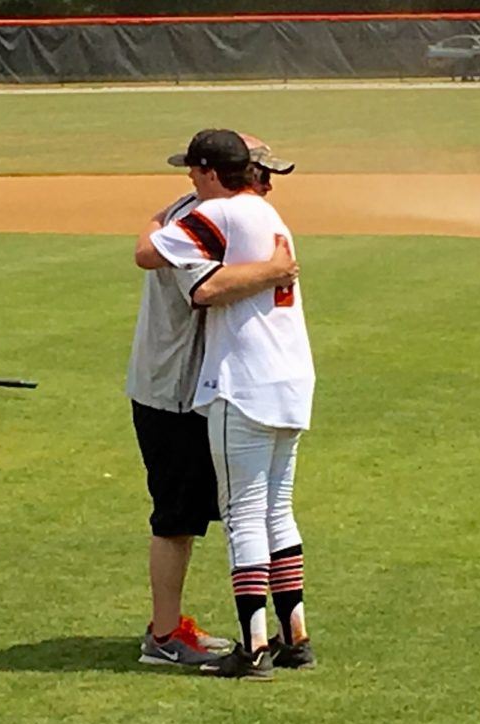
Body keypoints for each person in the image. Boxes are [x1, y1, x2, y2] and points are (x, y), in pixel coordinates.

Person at [136, 129, 315, 681]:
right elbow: (191, 280)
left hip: (230, 386)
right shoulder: (223, 218)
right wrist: (275, 270)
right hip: (179, 386)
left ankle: (256, 645)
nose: (268, 182)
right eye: (262, 171)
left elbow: (174, 265)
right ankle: (173, 635)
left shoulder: (230, 216)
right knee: (192, 515)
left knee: (245, 516)